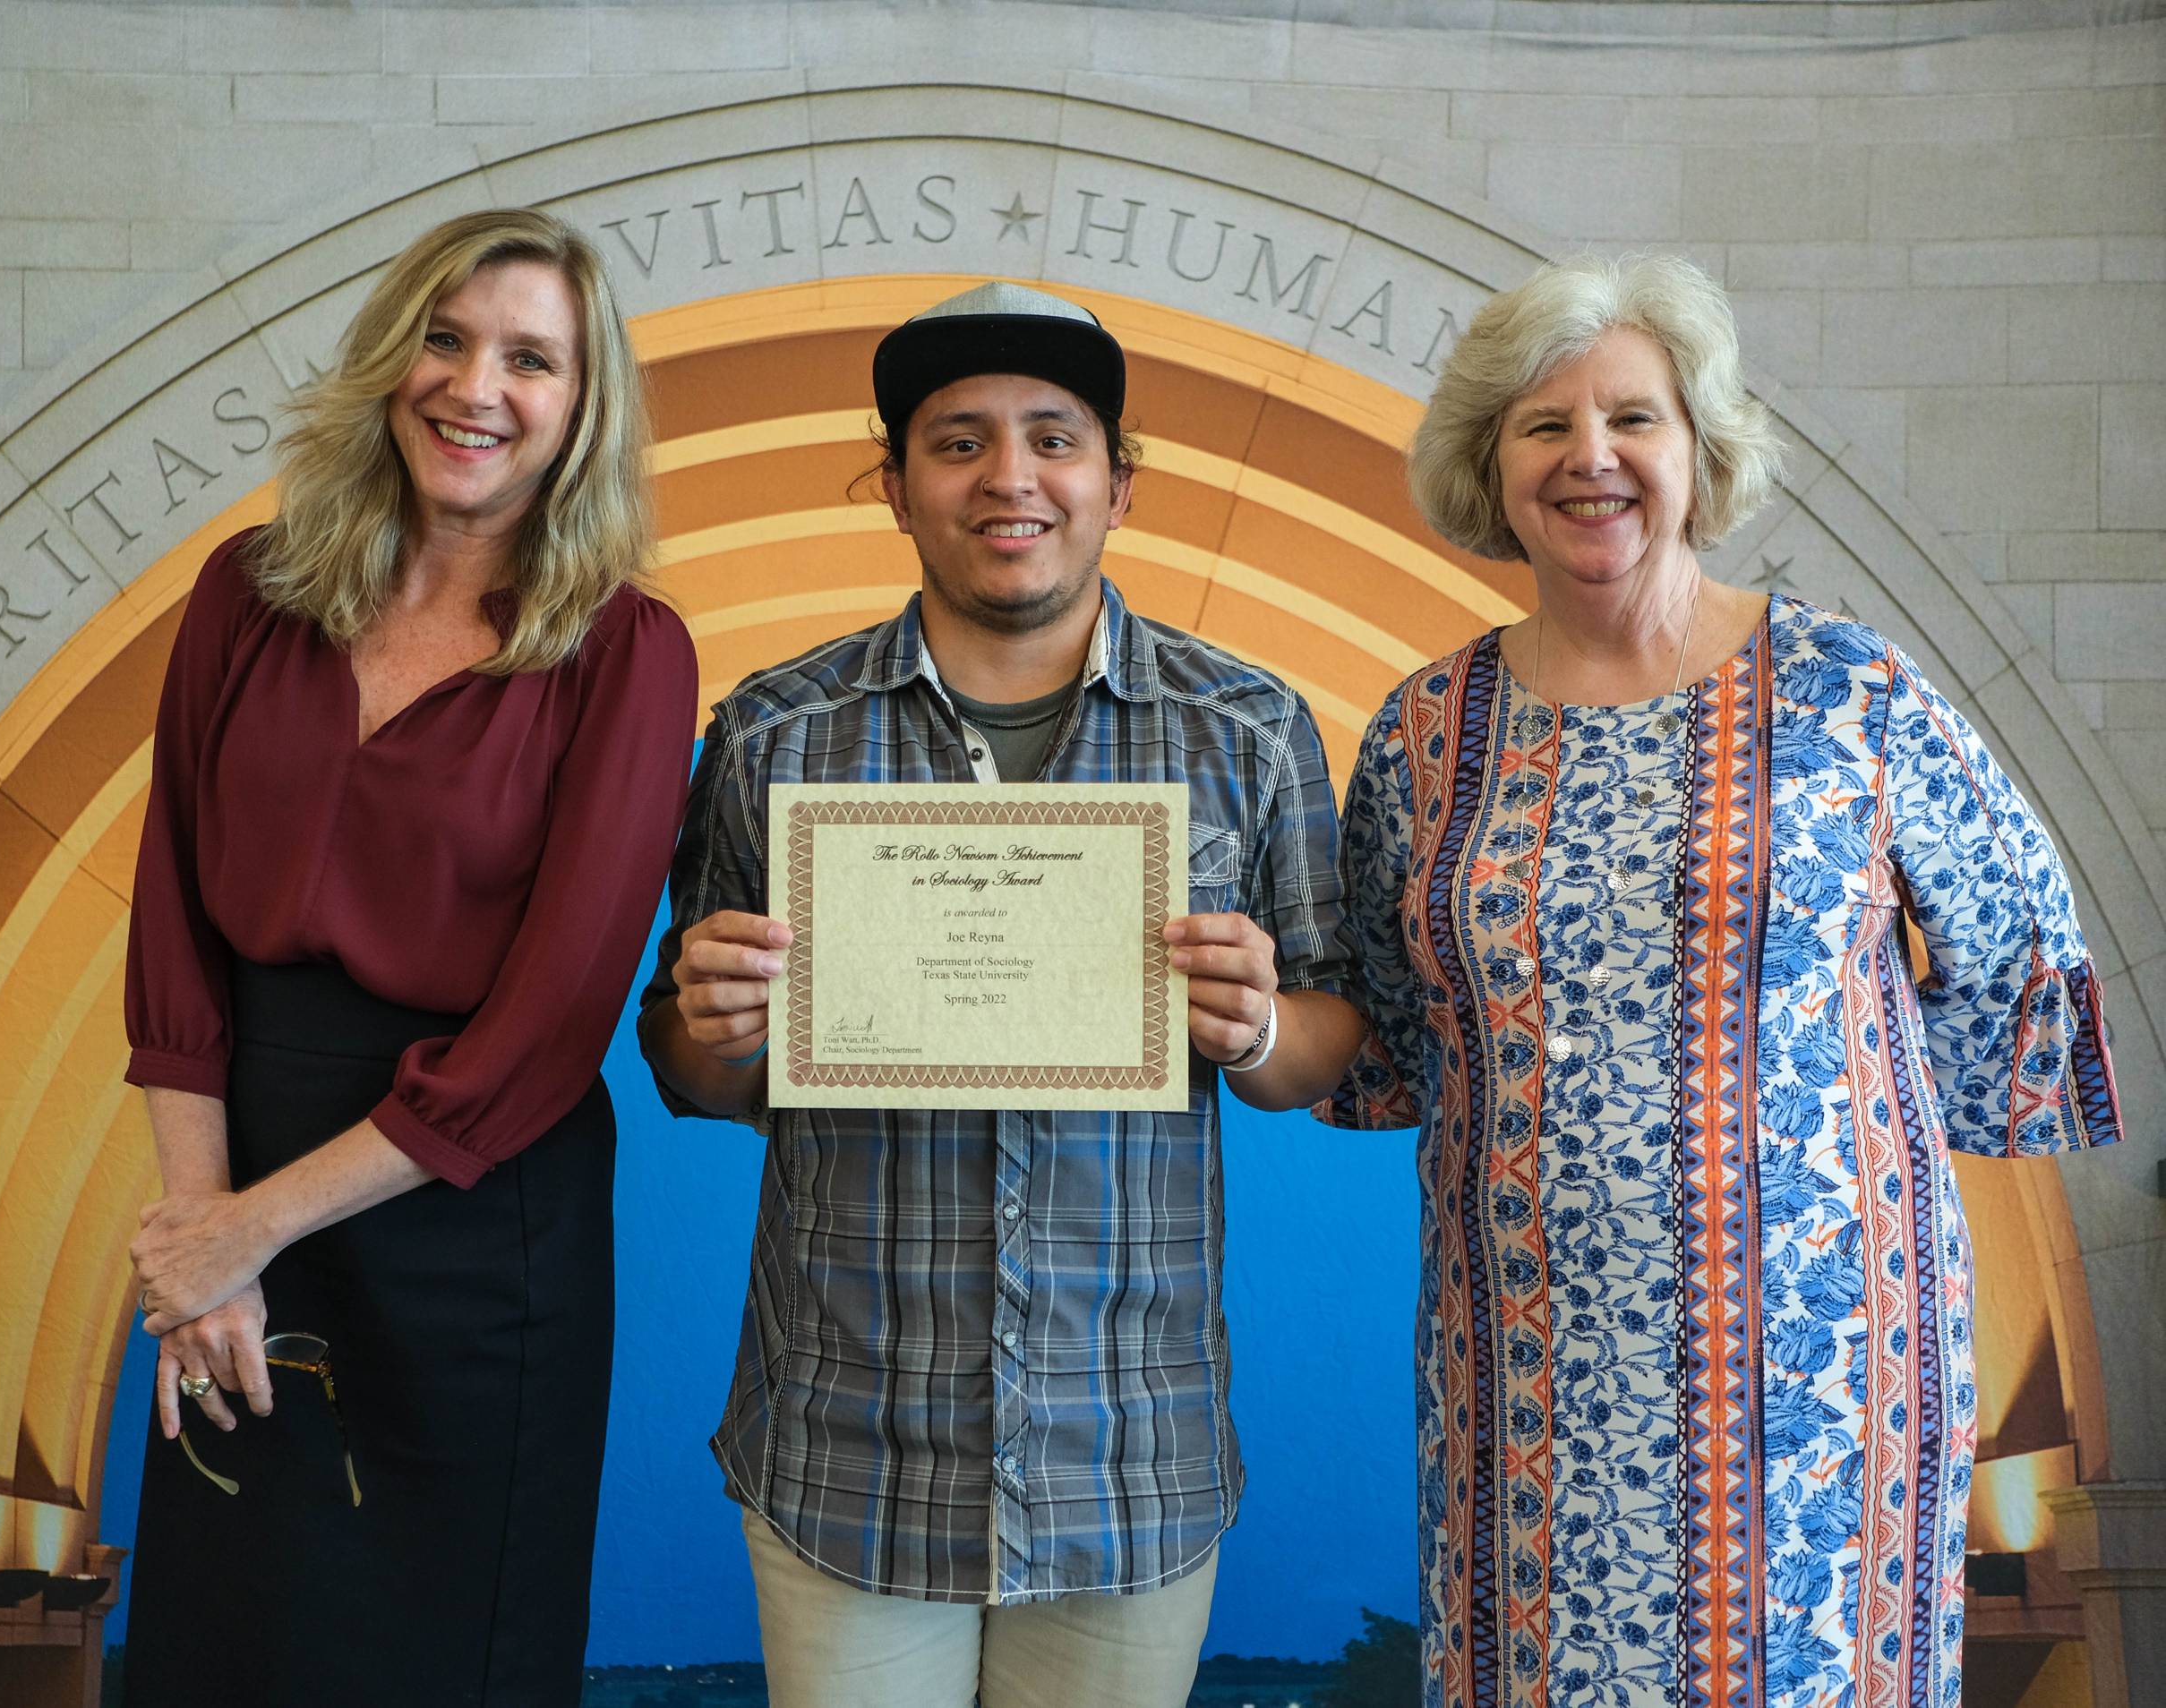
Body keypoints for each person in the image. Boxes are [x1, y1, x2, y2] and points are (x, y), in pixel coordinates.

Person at [1324, 252, 2121, 1708]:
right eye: (1541, 424)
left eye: (1632, 417)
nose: (1591, 459)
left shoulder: (1846, 689)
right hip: (1526, 1373)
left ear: (1699, 449)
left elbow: (2015, 941)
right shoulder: (1423, 731)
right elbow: (1391, 1024)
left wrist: (1842, 1138)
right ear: (1484, 466)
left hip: (1820, 1371)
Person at [637, 280, 1365, 1708]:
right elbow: (688, 1069)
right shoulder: (777, 731)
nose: (1009, 477)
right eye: (956, 442)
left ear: (1118, 483)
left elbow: (1328, 1044)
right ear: (895, 487)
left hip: (1128, 1444)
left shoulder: (1246, 729)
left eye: (1053, 437)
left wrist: (1262, 1024)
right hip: (844, 1441)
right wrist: (713, 1031)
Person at [120, 208, 697, 1708]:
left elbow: (551, 1025)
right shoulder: (243, 595)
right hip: (237, 1181)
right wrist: (204, 1240)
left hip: (476, 1223)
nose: (476, 386)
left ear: (582, 409)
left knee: (440, 1653)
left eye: (531, 359)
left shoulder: (627, 652)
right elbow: (172, 943)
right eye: (445, 339)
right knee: (225, 1637)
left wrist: (254, 1226)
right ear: (390, 362)